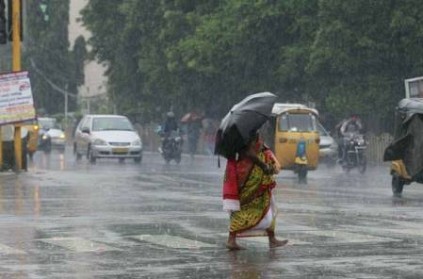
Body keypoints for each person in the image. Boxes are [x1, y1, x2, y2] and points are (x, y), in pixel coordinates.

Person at [222, 132, 288, 250]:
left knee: (267, 204)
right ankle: (231, 239)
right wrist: (263, 165)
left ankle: (271, 238)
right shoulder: (246, 134)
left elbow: (258, 149)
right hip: (249, 176)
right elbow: (248, 152)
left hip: (254, 176)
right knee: (242, 208)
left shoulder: (250, 131)